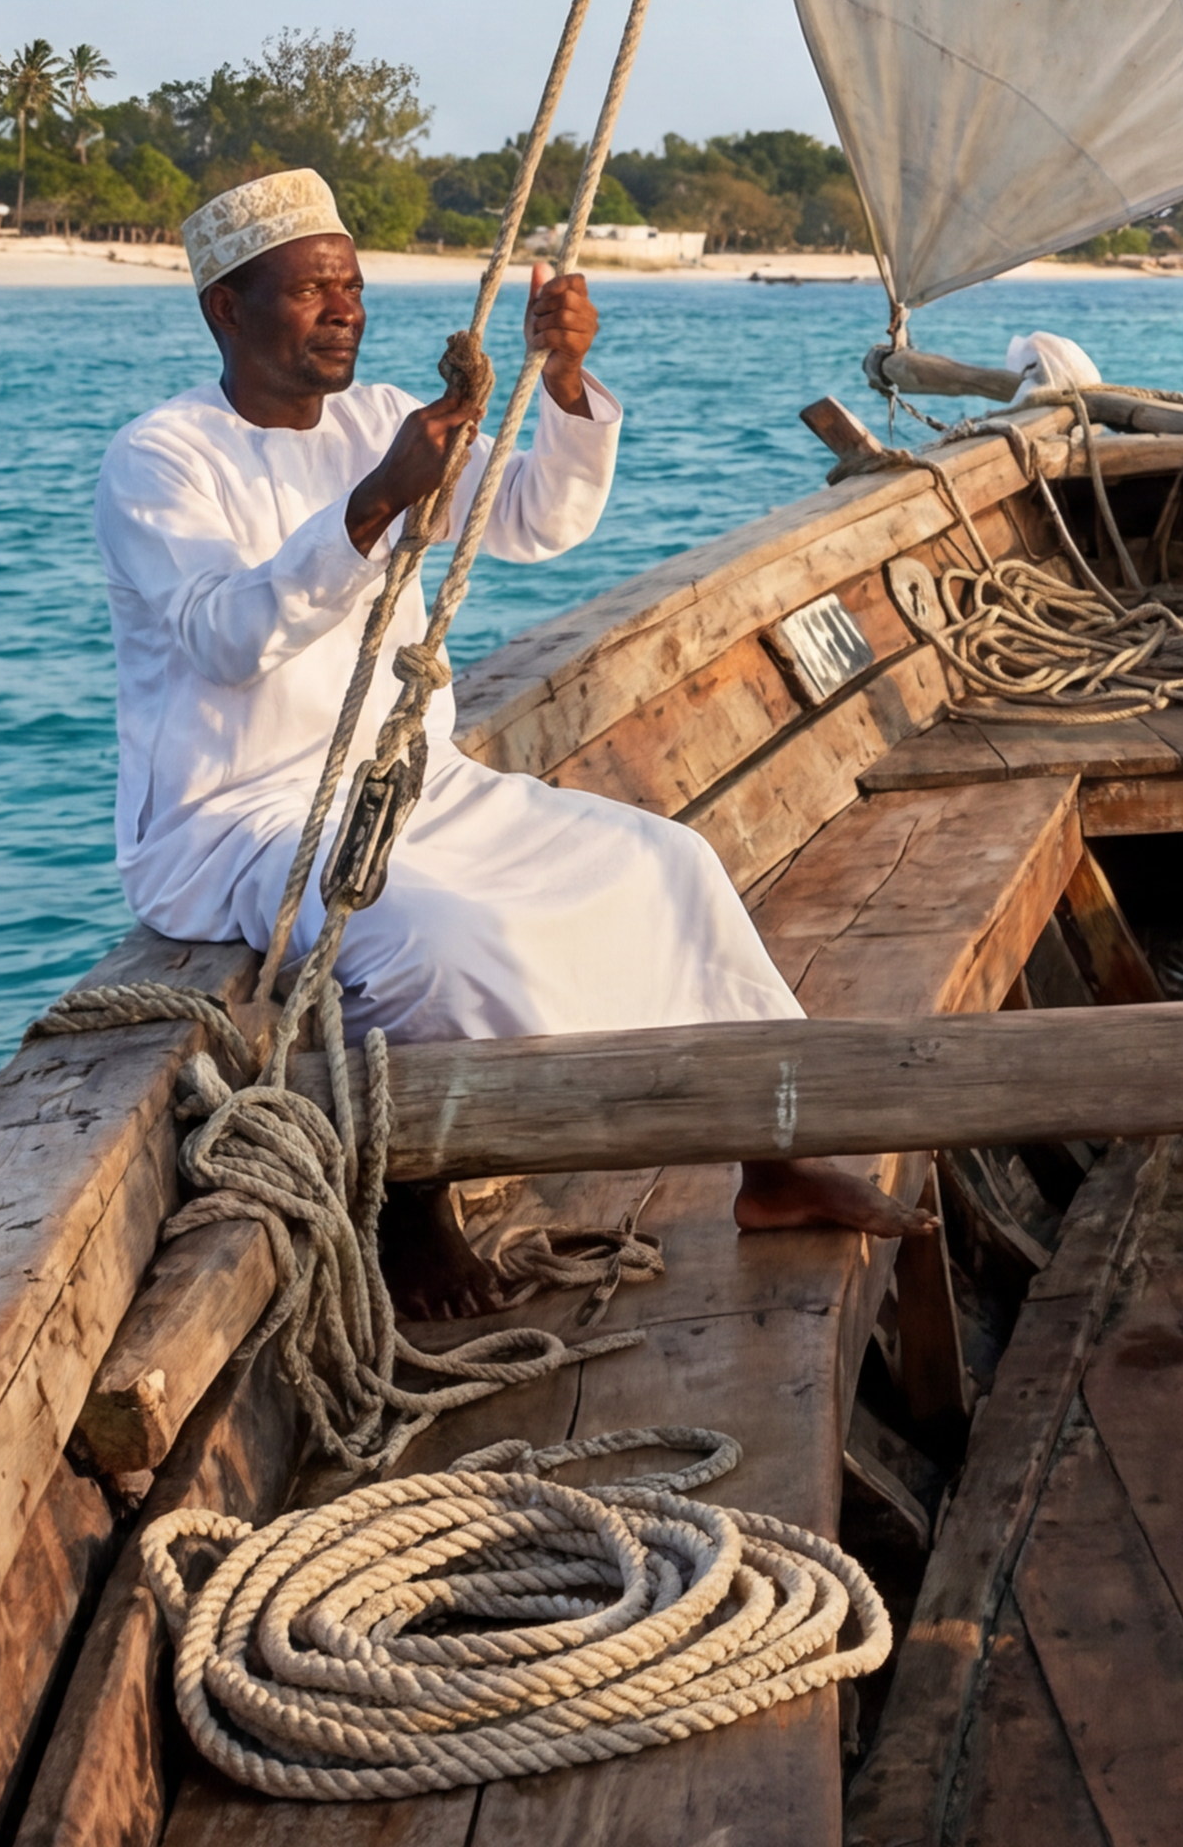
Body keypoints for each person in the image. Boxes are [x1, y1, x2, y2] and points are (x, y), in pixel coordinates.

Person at [101, 168, 922, 1247]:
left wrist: (567, 380)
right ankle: (418, 1208)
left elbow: (537, 518)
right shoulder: (160, 459)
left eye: (350, 286)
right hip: (246, 819)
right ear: (227, 309)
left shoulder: (384, 418)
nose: (345, 309)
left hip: (408, 786)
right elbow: (223, 637)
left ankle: (773, 1163)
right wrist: (376, 503)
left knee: (667, 869)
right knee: (442, 944)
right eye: (309, 292)